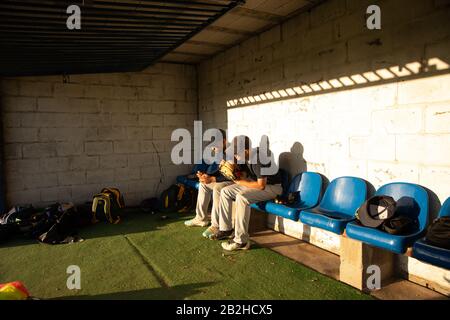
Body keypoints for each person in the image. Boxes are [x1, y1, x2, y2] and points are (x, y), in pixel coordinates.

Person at [214, 136, 283, 251]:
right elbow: (245, 176)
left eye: (236, 153)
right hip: (256, 183)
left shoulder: (258, 158)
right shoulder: (245, 156)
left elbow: (261, 185)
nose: (235, 156)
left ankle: (241, 241)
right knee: (225, 191)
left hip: (273, 187)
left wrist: (240, 181)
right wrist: (234, 170)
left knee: (242, 197)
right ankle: (226, 229)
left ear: (246, 150)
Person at [184, 129, 233, 237]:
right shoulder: (218, 152)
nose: (213, 148)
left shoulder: (230, 153)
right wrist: (204, 176)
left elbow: (231, 176)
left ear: (224, 141)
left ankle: (215, 225)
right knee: (203, 184)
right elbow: (215, 170)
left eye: (216, 144)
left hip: (234, 182)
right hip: (223, 180)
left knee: (217, 188)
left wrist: (212, 179)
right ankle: (201, 218)